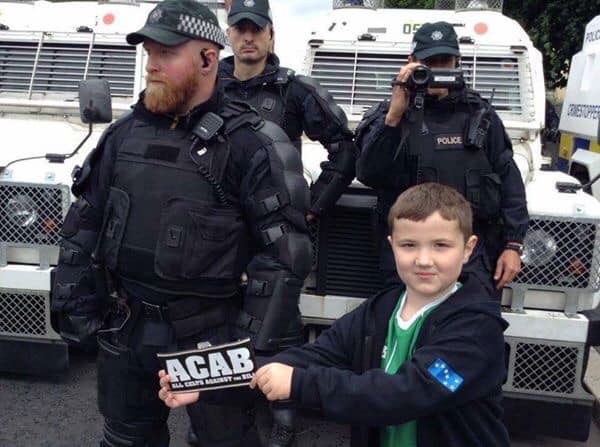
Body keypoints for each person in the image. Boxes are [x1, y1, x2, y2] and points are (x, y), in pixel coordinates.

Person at [50, 1, 312, 446]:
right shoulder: (123, 136)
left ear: (208, 59)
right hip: (127, 328)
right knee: (125, 439)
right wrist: (73, 305)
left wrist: (244, 349)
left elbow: (284, 257)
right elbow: (84, 223)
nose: (151, 65)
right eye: (149, 52)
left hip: (210, 339)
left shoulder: (251, 145)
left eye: (166, 53)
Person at [158, 183, 511, 447]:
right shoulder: (382, 309)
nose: (423, 259)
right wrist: (204, 382)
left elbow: (406, 394)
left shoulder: (476, 328)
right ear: (392, 247)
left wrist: (299, 384)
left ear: (468, 249)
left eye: (441, 246)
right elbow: (312, 356)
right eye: (409, 245)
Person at [356, 21, 529, 296]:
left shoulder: (480, 115)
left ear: (457, 62)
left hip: (470, 252)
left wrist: (513, 245)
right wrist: (394, 116)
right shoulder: (392, 115)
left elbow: (510, 182)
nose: (437, 69)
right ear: (411, 62)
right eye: (429, 62)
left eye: (444, 62)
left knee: (472, 320)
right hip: (409, 254)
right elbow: (368, 173)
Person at [220, 0, 357, 220]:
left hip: (274, 221)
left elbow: (345, 150)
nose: (248, 37)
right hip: (216, 219)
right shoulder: (207, 88)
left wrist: (313, 204)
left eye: (256, 29)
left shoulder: (295, 90)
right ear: (229, 34)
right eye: (240, 29)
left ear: (271, 34)